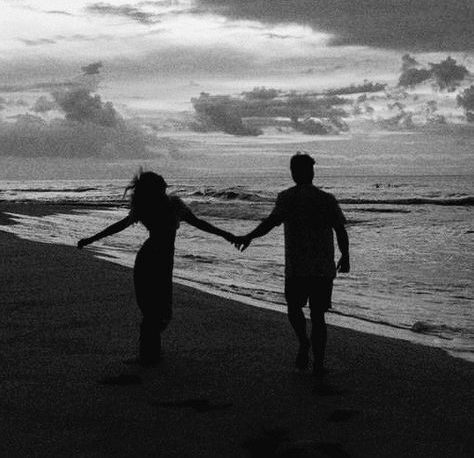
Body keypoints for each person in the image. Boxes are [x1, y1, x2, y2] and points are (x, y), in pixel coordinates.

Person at [77, 169, 236, 366]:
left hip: (160, 260)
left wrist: (228, 235)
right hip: (152, 259)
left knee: (159, 309)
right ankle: (149, 356)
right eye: (162, 186)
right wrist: (92, 239)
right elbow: (119, 226)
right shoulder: (149, 207)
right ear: (154, 189)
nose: (165, 188)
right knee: (152, 309)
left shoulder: (171, 205)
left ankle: (150, 354)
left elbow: (199, 223)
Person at [234, 152, 349, 383]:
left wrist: (250, 237)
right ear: (312, 172)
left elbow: (270, 223)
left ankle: (303, 343)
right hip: (321, 268)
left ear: (294, 173)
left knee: (294, 309)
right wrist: (346, 256)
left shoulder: (286, 197)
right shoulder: (327, 199)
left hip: (297, 267)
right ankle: (318, 365)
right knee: (318, 317)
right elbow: (340, 229)